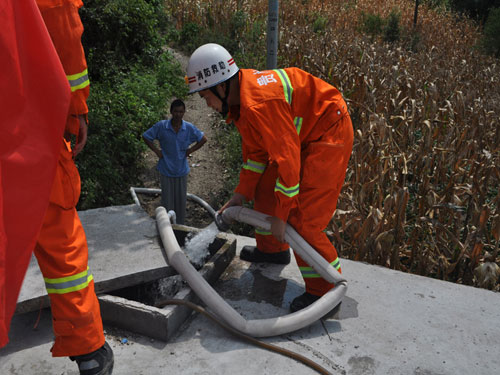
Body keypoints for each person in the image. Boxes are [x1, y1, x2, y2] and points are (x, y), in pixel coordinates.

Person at [186, 43, 353, 313]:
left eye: (206, 96)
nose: (206, 104)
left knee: (303, 220)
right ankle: (273, 250)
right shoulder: (241, 104)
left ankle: (325, 292)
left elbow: (288, 160)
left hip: (328, 133)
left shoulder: (259, 104)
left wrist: (282, 215)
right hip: (304, 138)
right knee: (264, 189)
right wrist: (240, 195)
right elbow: (257, 157)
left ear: (221, 86)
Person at [1, 1, 114, 374]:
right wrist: (76, 108)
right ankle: (89, 351)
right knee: (62, 246)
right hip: (28, 133)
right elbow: (64, 28)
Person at [143, 99, 207, 225]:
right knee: (167, 202)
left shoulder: (188, 128)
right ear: (171, 111)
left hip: (181, 170)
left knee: (180, 202)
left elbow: (203, 139)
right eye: (176, 111)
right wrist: (157, 151)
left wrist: (190, 150)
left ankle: (180, 228)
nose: (178, 114)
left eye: (181, 112)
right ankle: (166, 228)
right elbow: (146, 136)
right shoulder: (162, 126)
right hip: (166, 170)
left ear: (184, 112)